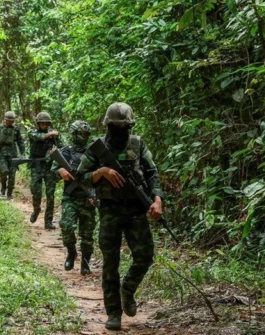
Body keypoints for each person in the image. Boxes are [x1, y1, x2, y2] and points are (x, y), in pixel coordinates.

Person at [78, 102, 164, 331]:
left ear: (129, 126)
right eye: (115, 126)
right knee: (110, 264)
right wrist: (101, 172)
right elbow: (81, 177)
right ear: (108, 126)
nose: (119, 130)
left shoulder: (138, 144)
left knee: (145, 256)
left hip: (136, 210)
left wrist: (157, 200)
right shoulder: (98, 148)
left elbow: (152, 173)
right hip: (110, 210)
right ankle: (113, 313)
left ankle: (127, 289)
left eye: (123, 126)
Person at [52, 120, 96, 275]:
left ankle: (85, 263)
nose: (83, 136)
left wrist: (95, 195)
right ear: (74, 134)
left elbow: (100, 176)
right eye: (80, 133)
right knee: (66, 225)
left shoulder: (93, 152)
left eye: (85, 134)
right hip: (70, 197)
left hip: (88, 197)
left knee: (87, 234)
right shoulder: (66, 151)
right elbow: (53, 171)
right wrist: (60, 172)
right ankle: (71, 252)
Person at [27, 112, 61, 229]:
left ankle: (48, 221)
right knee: (36, 191)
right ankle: (36, 210)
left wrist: (55, 146)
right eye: (42, 123)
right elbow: (38, 137)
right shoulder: (33, 132)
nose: (44, 125)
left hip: (49, 167)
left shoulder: (54, 136)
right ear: (38, 123)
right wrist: (50, 134)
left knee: (50, 195)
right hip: (36, 166)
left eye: (46, 123)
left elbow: (61, 148)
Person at [0, 111, 25, 200]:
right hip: (1, 154)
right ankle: (3, 187)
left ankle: (9, 194)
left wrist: (23, 153)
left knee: (12, 175)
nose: (10, 122)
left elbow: (20, 141)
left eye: (12, 121)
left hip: (13, 155)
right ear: (5, 120)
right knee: (4, 172)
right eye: (8, 121)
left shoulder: (16, 129)